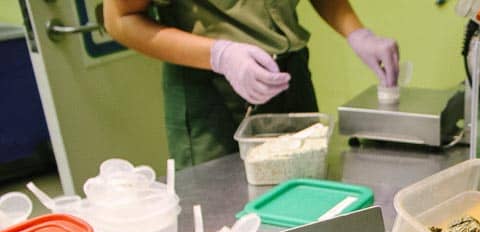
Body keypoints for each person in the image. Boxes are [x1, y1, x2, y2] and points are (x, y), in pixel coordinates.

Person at [103, 0, 399, 168]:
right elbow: (120, 19)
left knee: (309, 204)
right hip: (212, 92)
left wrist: (357, 33)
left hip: (289, 78)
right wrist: (220, 55)